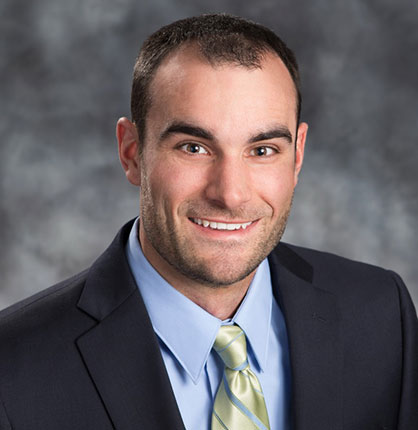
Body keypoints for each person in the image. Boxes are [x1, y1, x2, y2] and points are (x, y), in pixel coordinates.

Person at [0, 13, 416, 430]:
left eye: (262, 150)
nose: (230, 194)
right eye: (194, 148)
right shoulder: (14, 369)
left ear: (297, 155)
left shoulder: (381, 316)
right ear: (132, 153)